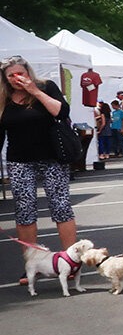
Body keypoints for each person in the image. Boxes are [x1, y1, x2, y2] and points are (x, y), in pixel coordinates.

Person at [0, 56, 79, 250]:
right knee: (24, 210)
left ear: (29, 73)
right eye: (11, 75)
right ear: (5, 78)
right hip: (20, 160)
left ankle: (70, 259)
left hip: (52, 157)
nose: (16, 78)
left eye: (21, 74)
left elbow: (61, 112)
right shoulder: (3, 98)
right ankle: (31, 264)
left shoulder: (46, 87)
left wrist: (33, 90)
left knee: (61, 207)